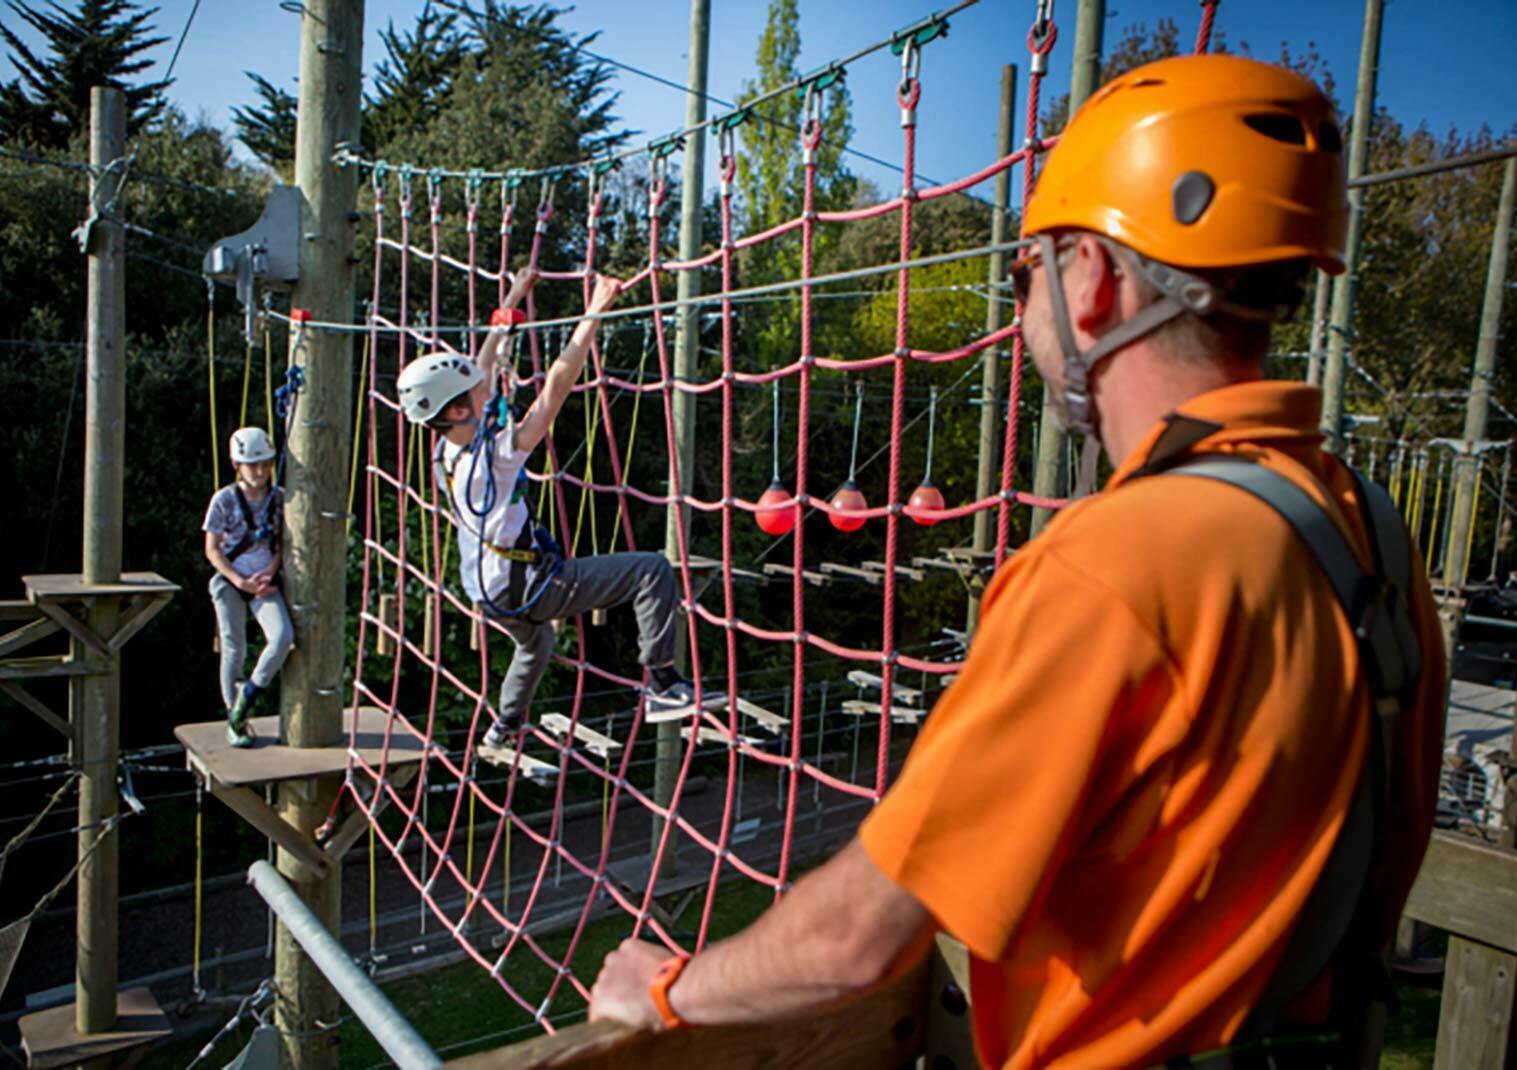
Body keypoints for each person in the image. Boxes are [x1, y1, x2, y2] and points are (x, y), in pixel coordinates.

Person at [586, 54, 1448, 1069]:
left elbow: (859, 932)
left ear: (1092, 277)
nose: (1020, 304)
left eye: (1025, 271)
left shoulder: (1118, 563)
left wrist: (666, 987)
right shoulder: (1362, 534)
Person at [395, 269, 706, 765]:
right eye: (474, 394)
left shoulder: (443, 452)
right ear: (455, 411)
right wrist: (596, 309)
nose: (486, 389)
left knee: (536, 642)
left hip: (487, 591)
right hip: (529, 584)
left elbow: (481, 363)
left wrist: (513, 301)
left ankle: (503, 727)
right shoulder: (498, 452)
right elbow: (557, 387)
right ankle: (664, 683)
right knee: (651, 571)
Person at [204, 426, 293, 747]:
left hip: (264, 580)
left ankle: (248, 694)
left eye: (265, 464)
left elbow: (283, 543)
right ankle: (234, 716)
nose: (260, 471)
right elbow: (212, 548)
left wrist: (270, 572)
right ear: (236, 465)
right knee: (233, 645)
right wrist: (239, 580)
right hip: (232, 579)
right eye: (252, 464)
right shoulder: (224, 500)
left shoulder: (279, 499)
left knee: (283, 637)